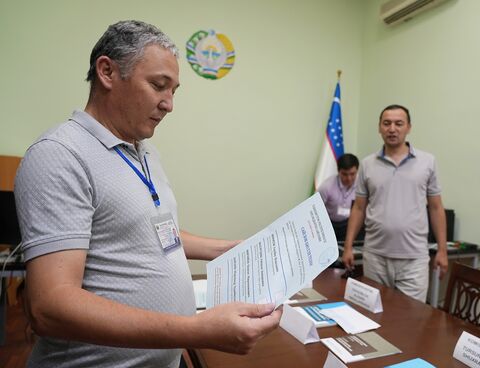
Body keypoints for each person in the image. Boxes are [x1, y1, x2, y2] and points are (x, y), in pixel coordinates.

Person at [14, 20, 281, 368]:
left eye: (174, 91)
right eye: (158, 86)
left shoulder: (143, 151)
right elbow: (50, 307)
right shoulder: (60, 155)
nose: (169, 104)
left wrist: (228, 249)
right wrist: (197, 331)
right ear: (107, 72)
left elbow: (152, 232)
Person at [342, 105, 448, 302]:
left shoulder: (427, 162)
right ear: (379, 128)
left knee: (410, 320)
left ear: (408, 127)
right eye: (387, 123)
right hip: (375, 256)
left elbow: (436, 207)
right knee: (374, 317)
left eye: (399, 123)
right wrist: (348, 246)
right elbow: (358, 208)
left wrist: (442, 250)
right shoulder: (367, 164)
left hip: (413, 259)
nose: (392, 129)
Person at [317, 153, 365, 241]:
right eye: (344, 174)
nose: (349, 178)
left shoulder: (363, 185)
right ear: (338, 171)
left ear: (357, 171)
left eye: (352, 174)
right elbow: (316, 210)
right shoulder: (326, 186)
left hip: (351, 223)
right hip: (331, 224)